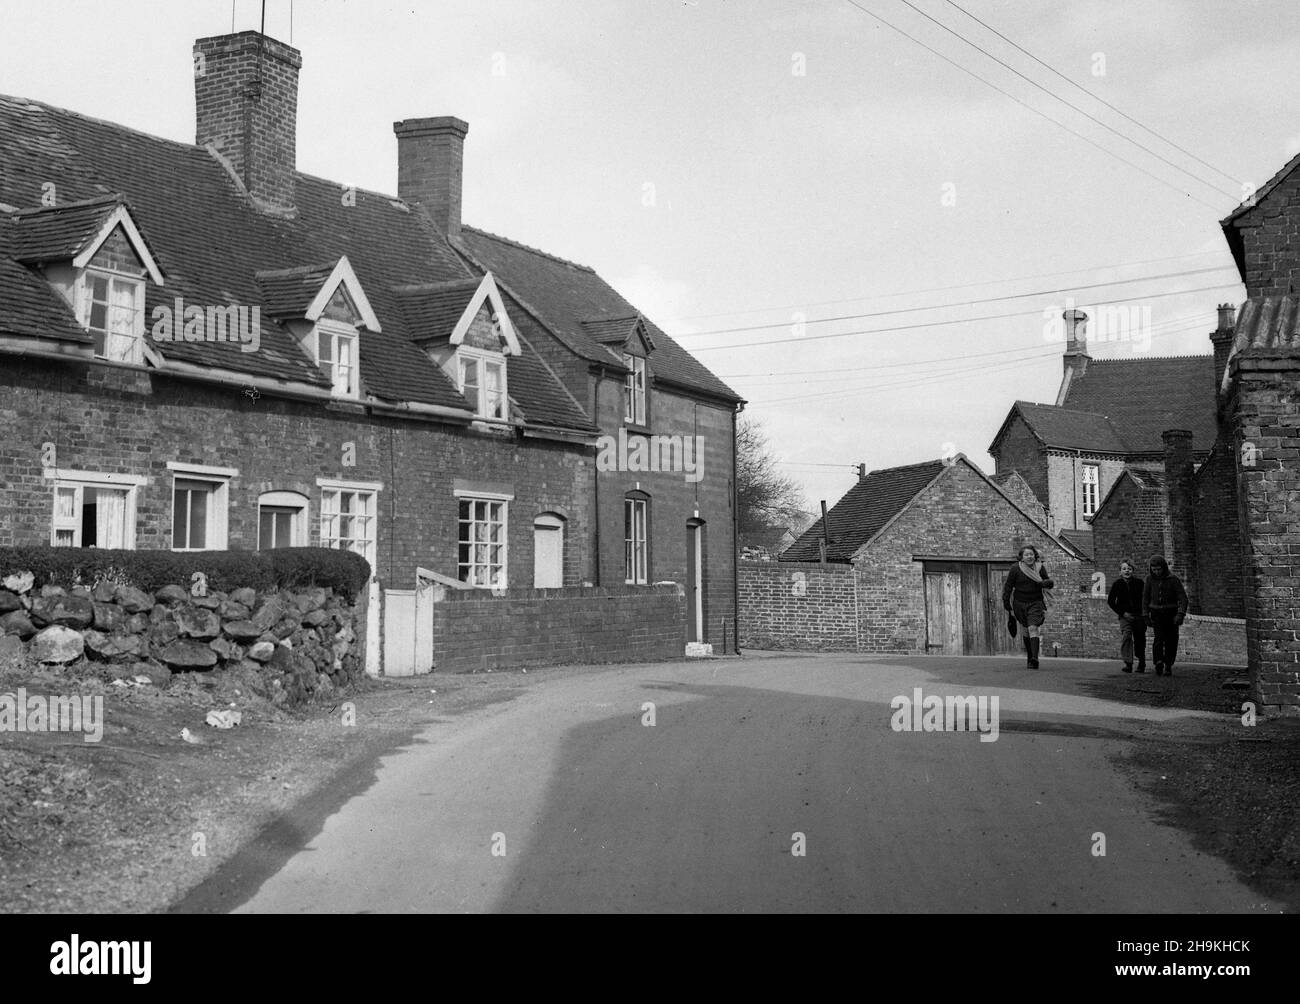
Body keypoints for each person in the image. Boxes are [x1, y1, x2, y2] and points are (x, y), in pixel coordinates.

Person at [1003, 545, 1054, 669]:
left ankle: (1035, 658)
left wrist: (1045, 583)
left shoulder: (1040, 567)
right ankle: (1030, 656)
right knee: (1026, 629)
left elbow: (1049, 583)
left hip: (1036, 603)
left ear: (1035, 555)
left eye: (1031, 554)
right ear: (1021, 557)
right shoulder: (1015, 569)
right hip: (1020, 604)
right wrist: (1006, 601)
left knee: (1032, 628)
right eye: (1026, 555)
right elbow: (1009, 586)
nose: (1029, 557)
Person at [1143, 554, 1188, 677]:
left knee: (1171, 640)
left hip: (1171, 614)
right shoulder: (1149, 580)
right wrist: (1146, 615)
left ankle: (1168, 664)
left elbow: (1183, 598)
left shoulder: (1173, 580)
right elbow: (1145, 598)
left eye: (1159, 569)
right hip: (1156, 614)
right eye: (1154, 569)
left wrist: (1180, 614)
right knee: (1158, 639)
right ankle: (1158, 661)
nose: (1156, 572)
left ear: (1163, 568)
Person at [1106, 559, 1146, 673]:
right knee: (1127, 636)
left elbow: (1145, 599)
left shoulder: (1139, 583)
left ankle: (1141, 662)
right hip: (1124, 616)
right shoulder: (1117, 584)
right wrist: (1123, 613)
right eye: (1124, 569)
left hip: (1139, 616)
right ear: (1120, 571)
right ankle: (1128, 663)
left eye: (1129, 569)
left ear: (1133, 571)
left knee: (1139, 639)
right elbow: (1111, 601)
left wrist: (1144, 613)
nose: (1127, 571)